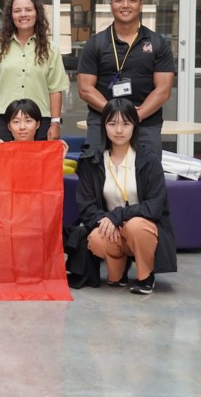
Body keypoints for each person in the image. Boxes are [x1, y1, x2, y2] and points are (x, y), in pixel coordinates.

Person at [75, 98, 177, 295]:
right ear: (104, 126)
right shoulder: (92, 161)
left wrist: (119, 215)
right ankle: (118, 272)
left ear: (135, 126)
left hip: (142, 229)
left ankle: (145, 276)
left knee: (135, 225)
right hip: (112, 229)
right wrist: (106, 220)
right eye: (112, 123)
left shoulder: (148, 159)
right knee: (96, 237)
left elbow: (155, 206)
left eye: (125, 123)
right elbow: (86, 206)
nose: (119, 130)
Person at [76, 0, 174, 155]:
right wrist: (113, 115)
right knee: (97, 174)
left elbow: (163, 90)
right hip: (102, 122)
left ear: (141, 5)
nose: (125, 5)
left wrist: (137, 115)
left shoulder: (157, 43)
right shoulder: (95, 44)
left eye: (132, 0)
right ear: (111, 4)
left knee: (146, 176)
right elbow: (85, 89)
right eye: (119, 0)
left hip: (145, 124)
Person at [0, 0, 69, 143]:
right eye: (17, 11)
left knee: (36, 166)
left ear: (37, 13)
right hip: (2, 121)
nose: (23, 14)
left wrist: (55, 123)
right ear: (11, 16)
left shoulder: (50, 49)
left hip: (39, 122)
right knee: (4, 166)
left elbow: (55, 89)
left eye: (28, 9)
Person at [0, 98, 69, 153]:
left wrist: (58, 159)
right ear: (9, 126)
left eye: (28, 121)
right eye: (16, 122)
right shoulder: (1, 150)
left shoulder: (45, 153)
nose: (22, 127)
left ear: (37, 124)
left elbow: (51, 178)